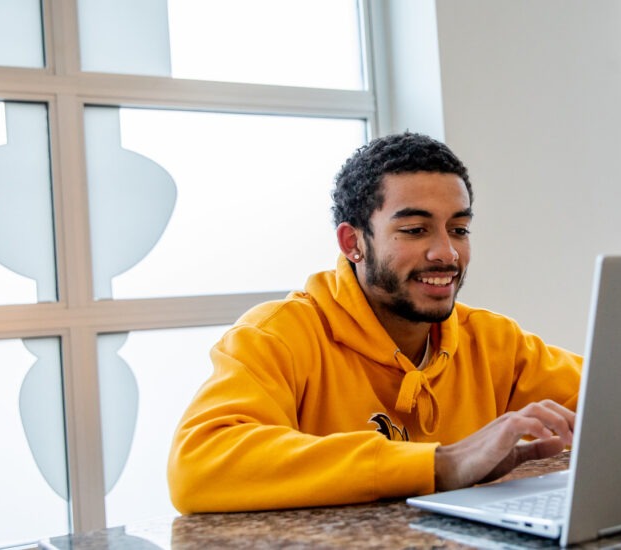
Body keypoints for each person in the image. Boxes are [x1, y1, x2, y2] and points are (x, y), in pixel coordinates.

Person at [168, 132, 583, 513]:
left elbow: (620, 401)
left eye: (459, 229)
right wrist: (441, 465)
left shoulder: (494, 341)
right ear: (353, 243)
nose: (447, 253)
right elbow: (197, 464)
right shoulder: (277, 335)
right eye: (415, 229)